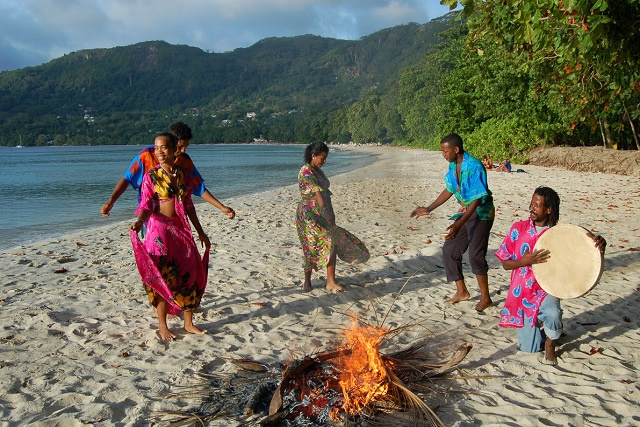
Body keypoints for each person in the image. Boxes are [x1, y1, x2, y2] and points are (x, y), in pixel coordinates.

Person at [495, 186, 606, 365]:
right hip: (521, 293)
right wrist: (523, 261)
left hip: (546, 289)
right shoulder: (518, 229)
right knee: (529, 348)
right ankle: (541, 327)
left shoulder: (558, 235)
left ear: (548, 210)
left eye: (537, 205)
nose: (531, 208)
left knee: (553, 313)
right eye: (531, 203)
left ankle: (550, 342)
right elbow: (505, 264)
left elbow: (581, 256)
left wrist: (599, 245)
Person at [130, 132, 211, 341]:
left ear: (175, 149)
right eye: (156, 148)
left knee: (189, 272)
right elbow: (146, 204)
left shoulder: (184, 174)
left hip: (181, 230)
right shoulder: (152, 176)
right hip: (159, 231)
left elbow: (190, 206)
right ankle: (163, 325)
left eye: (164, 147)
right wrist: (140, 221)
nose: (159, 152)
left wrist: (201, 232)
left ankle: (188, 322)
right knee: (161, 275)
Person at [410, 133, 494, 312]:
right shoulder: (453, 164)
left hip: (481, 214)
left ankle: (486, 298)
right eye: (442, 151)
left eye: (445, 151)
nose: (443, 154)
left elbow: (476, 201)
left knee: (475, 255)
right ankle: (462, 291)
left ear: (456, 150)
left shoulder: (474, 166)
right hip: (465, 212)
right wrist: (429, 208)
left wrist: (458, 224)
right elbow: (450, 189)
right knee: (450, 249)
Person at [101, 122, 235, 220]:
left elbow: (199, 188)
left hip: (177, 216)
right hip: (151, 217)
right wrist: (111, 201)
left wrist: (221, 207)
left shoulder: (185, 162)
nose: (183, 151)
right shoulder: (146, 156)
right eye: (181, 146)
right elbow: (127, 179)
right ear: (171, 143)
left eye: (186, 147)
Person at [296, 142, 345, 293]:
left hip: (322, 212)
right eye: (322, 158)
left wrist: (331, 213)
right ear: (313, 155)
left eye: (326, 158)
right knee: (311, 247)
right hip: (309, 216)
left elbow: (325, 193)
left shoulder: (318, 170)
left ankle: (331, 281)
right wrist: (327, 212)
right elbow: (317, 194)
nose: (324, 161)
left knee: (332, 242)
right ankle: (307, 282)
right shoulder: (306, 171)